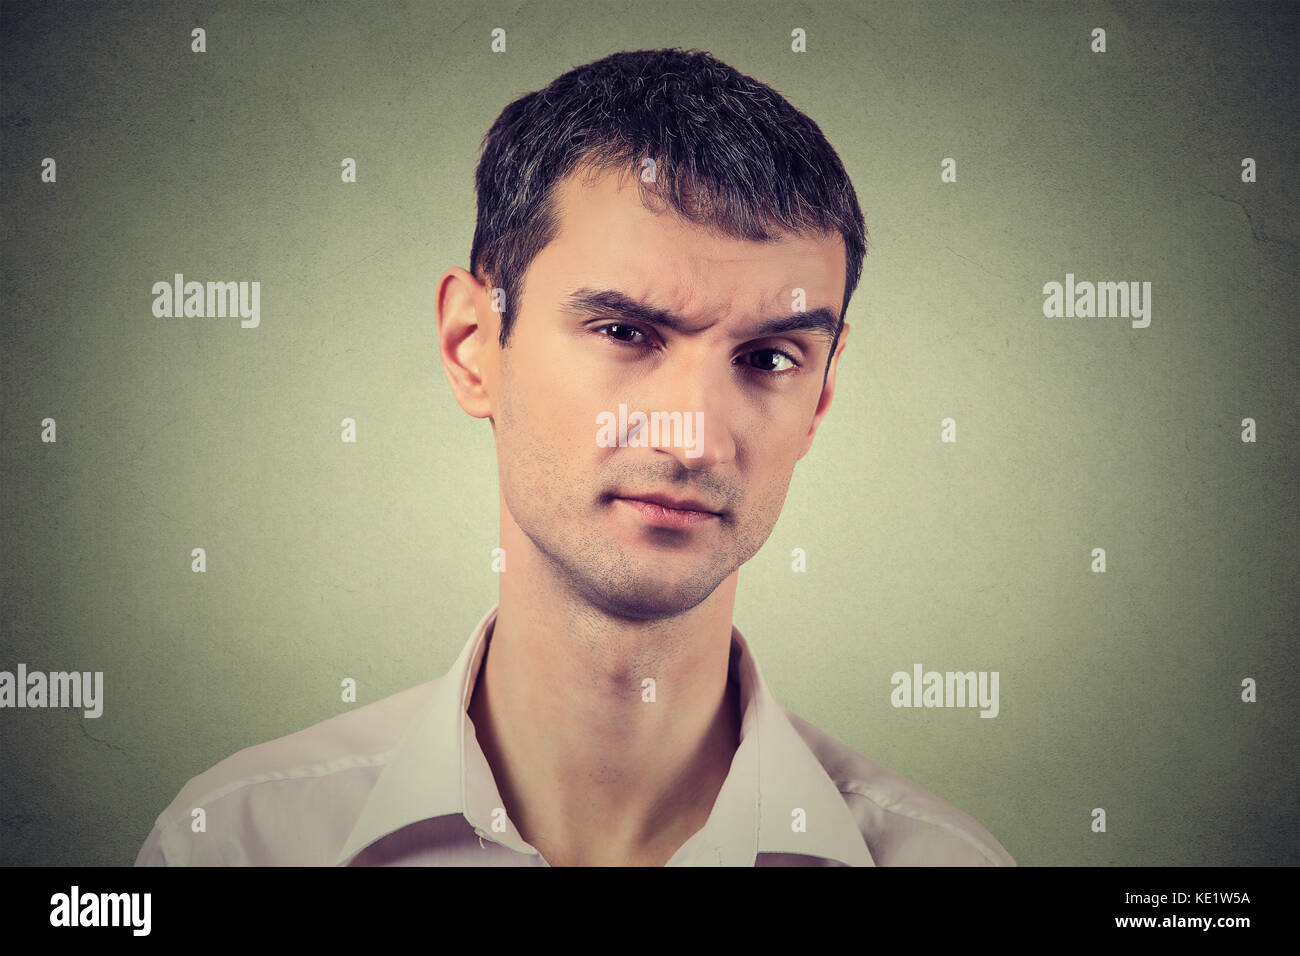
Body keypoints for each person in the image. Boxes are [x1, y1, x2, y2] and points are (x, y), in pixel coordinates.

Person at [136, 48, 1014, 867]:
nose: (693, 439)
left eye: (770, 358)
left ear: (821, 395)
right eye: (625, 332)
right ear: (473, 343)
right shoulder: (234, 844)